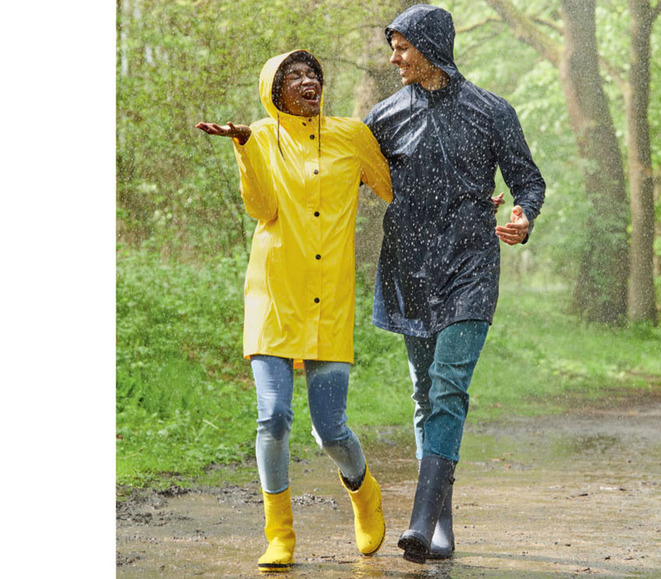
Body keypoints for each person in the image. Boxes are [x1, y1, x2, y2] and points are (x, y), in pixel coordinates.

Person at [196, 49, 392, 571]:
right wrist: (243, 146)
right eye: (295, 76)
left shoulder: (352, 135)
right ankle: (279, 533)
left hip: (329, 300)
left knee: (331, 428)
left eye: (314, 74)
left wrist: (466, 201)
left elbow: (394, 187)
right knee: (273, 416)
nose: (309, 81)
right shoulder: (259, 134)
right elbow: (262, 208)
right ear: (275, 90)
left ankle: (364, 493)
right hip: (273, 295)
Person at [363, 4, 547, 564]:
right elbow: (347, 175)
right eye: (392, 46)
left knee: (447, 385)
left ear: (430, 46)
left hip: (470, 266)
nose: (394, 57)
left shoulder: (491, 110)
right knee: (423, 393)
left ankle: (419, 524)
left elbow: (527, 179)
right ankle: (440, 524)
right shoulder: (383, 116)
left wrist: (522, 214)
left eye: (402, 47)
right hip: (409, 269)